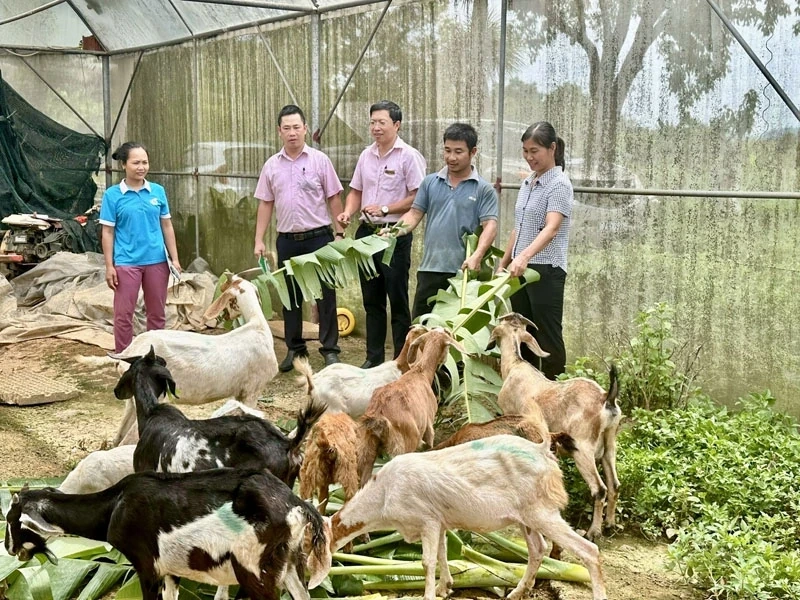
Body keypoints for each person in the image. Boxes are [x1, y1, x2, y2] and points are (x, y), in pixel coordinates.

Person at [254, 104, 345, 372]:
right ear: (279, 131)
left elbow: (334, 197)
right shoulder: (271, 165)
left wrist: (339, 234)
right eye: (286, 128)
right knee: (290, 296)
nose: (292, 133)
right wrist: (259, 239)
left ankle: (330, 350)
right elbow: (265, 204)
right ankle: (295, 350)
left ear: (305, 129)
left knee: (325, 296)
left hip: (319, 238)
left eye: (297, 127)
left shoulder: (320, 161)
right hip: (287, 240)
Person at [337, 101, 427, 368]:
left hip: (394, 235)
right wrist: (348, 212)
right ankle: (373, 359)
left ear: (396, 125)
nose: (376, 128)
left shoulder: (409, 156)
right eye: (372, 122)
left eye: (382, 122)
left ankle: (401, 361)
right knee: (371, 300)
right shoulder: (366, 155)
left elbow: (418, 197)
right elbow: (355, 190)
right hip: (367, 234)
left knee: (397, 301)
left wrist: (386, 208)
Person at [392, 122, 498, 319]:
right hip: (429, 269)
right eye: (447, 150)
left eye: (458, 152)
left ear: (473, 152)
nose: (451, 157)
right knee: (421, 329)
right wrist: (394, 231)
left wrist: (477, 256)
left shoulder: (483, 189)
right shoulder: (430, 182)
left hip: (463, 274)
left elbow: (490, 226)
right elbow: (414, 214)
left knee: (455, 334)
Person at [497, 121, 572, 380]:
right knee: (522, 333)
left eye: (535, 151)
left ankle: (555, 391)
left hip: (545, 270)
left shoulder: (559, 184)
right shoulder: (528, 182)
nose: (529, 157)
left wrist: (525, 257)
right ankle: (527, 391)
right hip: (520, 268)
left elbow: (551, 229)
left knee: (547, 335)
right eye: (525, 151)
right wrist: (504, 262)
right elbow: (518, 227)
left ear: (552, 148)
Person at [99, 142, 182, 353]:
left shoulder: (158, 191)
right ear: (124, 165)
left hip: (157, 261)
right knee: (123, 314)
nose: (141, 167)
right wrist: (110, 266)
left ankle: (154, 357)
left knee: (157, 314)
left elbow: (167, 225)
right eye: (136, 162)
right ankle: (126, 358)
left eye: (145, 162)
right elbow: (107, 232)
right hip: (126, 263)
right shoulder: (112, 195)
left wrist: (175, 259)